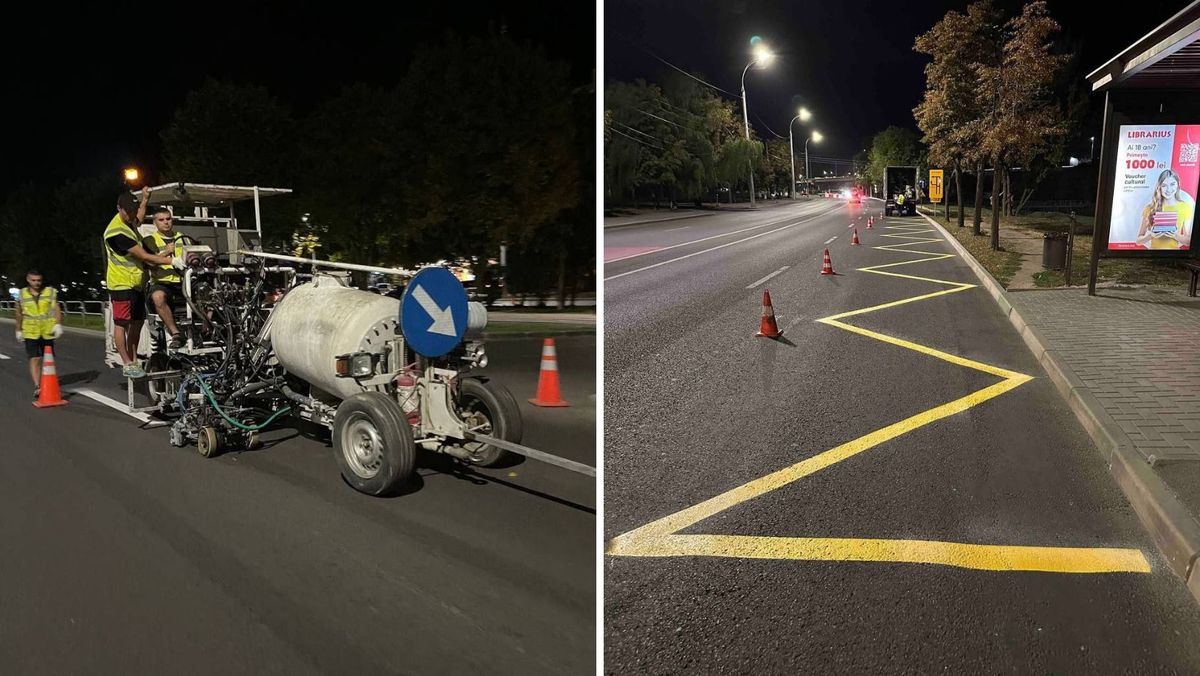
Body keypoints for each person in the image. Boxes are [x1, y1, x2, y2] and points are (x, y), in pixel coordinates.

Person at [104, 188, 181, 378]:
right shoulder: (116, 233)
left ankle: (134, 359)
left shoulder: (129, 221)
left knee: (137, 323)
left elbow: (139, 215)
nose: (132, 214)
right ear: (119, 209)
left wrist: (145, 199)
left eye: (133, 210)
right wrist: (171, 260)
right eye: (128, 211)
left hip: (136, 283)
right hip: (121, 284)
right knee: (122, 324)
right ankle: (128, 363)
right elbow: (145, 257)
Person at [142, 206, 191, 349]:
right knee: (157, 297)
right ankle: (176, 333)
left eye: (168, 219)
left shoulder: (181, 237)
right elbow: (149, 261)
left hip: (183, 281)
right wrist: (166, 252)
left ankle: (206, 329)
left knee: (209, 292)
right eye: (161, 220)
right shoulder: (149, 240)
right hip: (162, 282)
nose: (166, 222)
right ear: (155, 223)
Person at [13, 269, 63, 399]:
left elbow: (56, 308)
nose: (36, 283)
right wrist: (18, 329)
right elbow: (19, 313)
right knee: (34, 358)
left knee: (48, 359)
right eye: (34, 280)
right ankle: (37, 386)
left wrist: (58, 324)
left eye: (39, 280)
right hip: (30, 331)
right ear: (28, 280)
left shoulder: (50, 292)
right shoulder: (22, 294)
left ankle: (48, 381)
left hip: (47, 331)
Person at [1136, 169, 1194, 250]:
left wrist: (1175, 235)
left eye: (1172, 184)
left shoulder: (1184, 207)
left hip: (1175, 256)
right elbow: (1138, 241)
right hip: (1153, 255)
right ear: (1159, 187)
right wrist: (1151, 235)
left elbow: (1188, 242)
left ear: (1178, 185)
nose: (1168, 189)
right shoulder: (1150, 208)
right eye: (1164, 185)